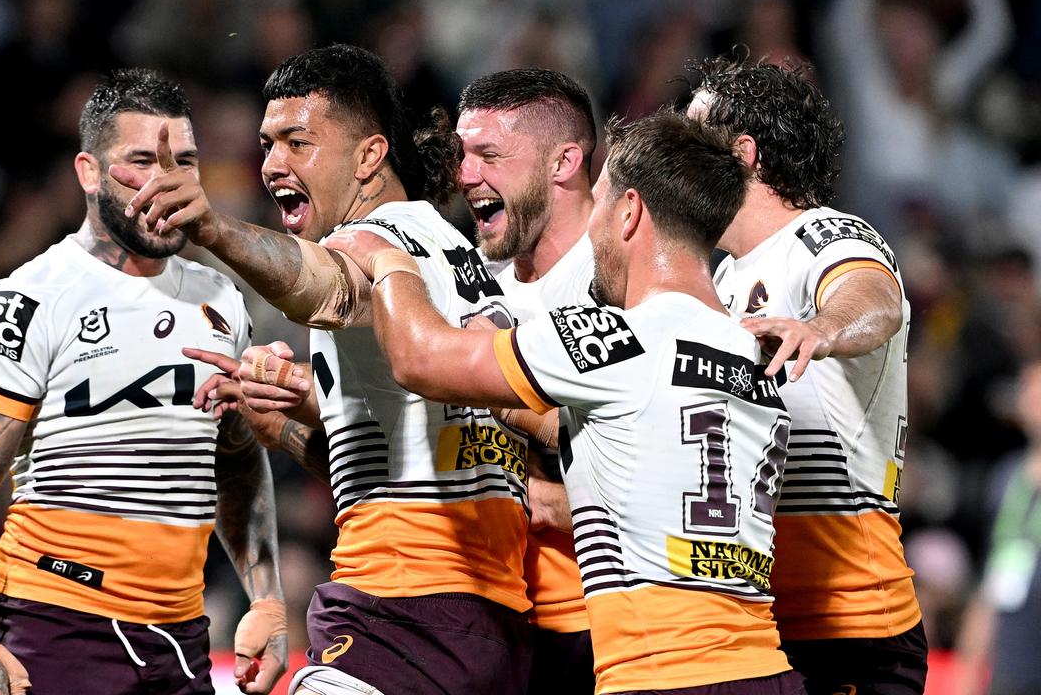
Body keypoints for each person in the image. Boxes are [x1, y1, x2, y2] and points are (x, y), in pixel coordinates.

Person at [328, 111, 805, 694]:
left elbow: (420, 359)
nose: (593, 231)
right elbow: (636, 465)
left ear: (629, 212)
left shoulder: (618, 338)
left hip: (662, 677)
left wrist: (386, 260)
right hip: (765, 670)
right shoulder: (752, 351)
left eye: (601, 204)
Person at [120, 44, 533, 695]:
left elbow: (326, 285)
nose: (273, 164)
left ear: (369, 155)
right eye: (267, 145)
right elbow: (401, 458)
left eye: (298, 143)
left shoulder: (371, 242)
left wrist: (211, 228)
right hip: (486, 624)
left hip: (399, 610)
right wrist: (285, 416)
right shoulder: (455, 252)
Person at [0, 69, 287, 695]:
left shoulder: (222, 301)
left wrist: (266, 599)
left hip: (182, 634)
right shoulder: (26, 302)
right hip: (58, 626)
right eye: (140, 161)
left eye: (183, 162)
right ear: (88, 173)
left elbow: (234, 458)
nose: (166, 181)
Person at [687, 54, 925, 694]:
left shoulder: (825, 234)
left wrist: (822, 329)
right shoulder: (727, 275)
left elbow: (873, 298)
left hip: (852, 621)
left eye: (693, 139)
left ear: (743, 154)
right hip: (766, 617)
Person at [456, 67, 597, 694]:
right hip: (490, 618)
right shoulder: (475, 288)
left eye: (489, 154)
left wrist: (561, 507)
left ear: (565, 161)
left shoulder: (628, 279)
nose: (465, 175)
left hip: (597, 631)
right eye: (462, 154)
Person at [957, 359, 1041, 695]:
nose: (1035, 397)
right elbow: (991, 576)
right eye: (1030, 389)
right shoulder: (1006, 478)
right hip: (1009, 666)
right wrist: (968, 669)